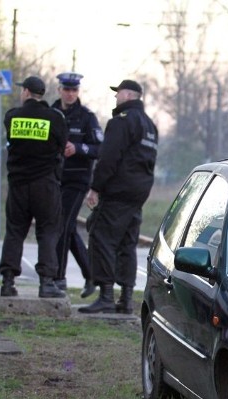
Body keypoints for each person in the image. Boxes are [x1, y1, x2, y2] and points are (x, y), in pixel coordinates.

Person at [79, 79, 158, 314]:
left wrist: (96, 187)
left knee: (101, 236)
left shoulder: (121, 122)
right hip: (138, 194)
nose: (115, 98)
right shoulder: (150, 126)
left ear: (127, 95)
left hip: (117, 192)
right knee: (127, 243)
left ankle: (104, 295)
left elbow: (108, 158)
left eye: (118, 93)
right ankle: (125, 298)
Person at [0, 76, 68, 299]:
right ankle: (46, 283)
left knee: (15, 231)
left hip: (18, 185)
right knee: (47, 231)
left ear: (26, 92)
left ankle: (8, 282)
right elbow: (61, 146)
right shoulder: (55, 118)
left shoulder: (12, 116)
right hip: (45, 184)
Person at [51, 72, 103, 298]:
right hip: (53, 179)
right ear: (59, 90)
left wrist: (78, 148)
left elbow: (99, 149)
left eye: (74, 90)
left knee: (62, 226)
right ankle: (90, 274)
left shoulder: (86, 117)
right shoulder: (50, 112)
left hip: (77, 180)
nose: (70, 94)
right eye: (66, 89)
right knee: (67, 228)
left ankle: (59, 278)